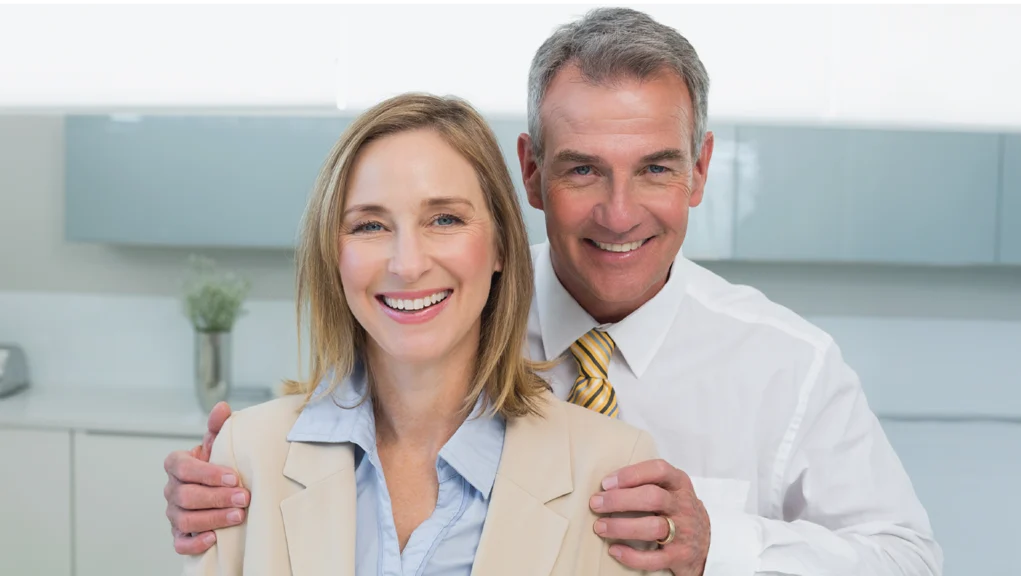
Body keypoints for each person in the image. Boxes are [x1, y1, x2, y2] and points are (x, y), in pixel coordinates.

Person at [166, 8, 942, 576]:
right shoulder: (447, 295)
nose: (619, 212)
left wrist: (722, 546)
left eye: (656, 168)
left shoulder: (787, 365)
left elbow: (910, 562)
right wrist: (238, 483)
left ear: (701, 169)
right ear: (530, 174)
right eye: (582, 169)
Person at [180, 93, 666, 575]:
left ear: (500, 245)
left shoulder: (610, 469)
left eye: (445, 219)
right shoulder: (248, 455)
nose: (407, 264)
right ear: (334, 254)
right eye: (370, 225)